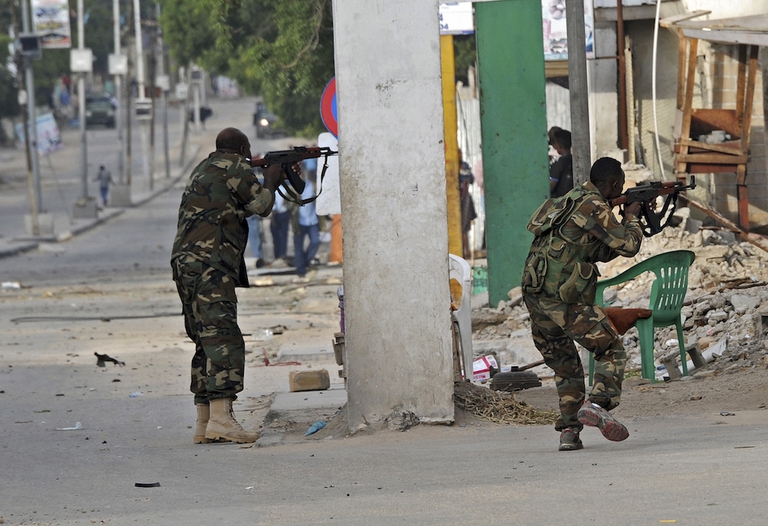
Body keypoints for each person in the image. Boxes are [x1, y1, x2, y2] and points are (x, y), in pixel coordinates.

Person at [521, 157, 644, 451]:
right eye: (621, 186)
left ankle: (569, 433)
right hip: (564, 300)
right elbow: (628, 246)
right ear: (614, 184)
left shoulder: (567, 201)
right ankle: (598, 404)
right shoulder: (595, 207)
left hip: (536, 298)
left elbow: (598, 251)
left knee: (566, 366)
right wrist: (633, 218)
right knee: (610, 349)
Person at [171, 127, 284, 444]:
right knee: (222, 335)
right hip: (210, 262)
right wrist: (272, 179)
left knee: (205, 337)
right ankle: (222, 420)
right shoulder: (236, 166)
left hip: (185, 262)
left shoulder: (204, 168)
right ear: (244, 149)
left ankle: (205, 422)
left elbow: (239, 204)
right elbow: (261, 205)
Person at [292, 169, 320, 280]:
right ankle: (301, 270)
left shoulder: (311, 185)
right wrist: (295, 198)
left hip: (312, 220)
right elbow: (287, 204)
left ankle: (306, 260)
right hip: (299, 222)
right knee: (298, 247)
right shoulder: (292, 188)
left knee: (315, 241)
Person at [459, 149, 477, 260]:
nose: (459, 155)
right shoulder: (452, 166)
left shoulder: (464, 166)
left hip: (465, 199)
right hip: (457, 200)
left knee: (464, 226)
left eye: (460, 153)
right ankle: (464, 250)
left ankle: (467, 250)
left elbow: (472, 179)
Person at [549, 127, 573, 198]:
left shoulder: (558, 164)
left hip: (560, 201)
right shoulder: (574, 160)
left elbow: (551, 185)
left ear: (559, 146)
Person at [269, 190, 290, 262]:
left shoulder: (277, 190)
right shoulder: (284, 190)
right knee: (280, 236)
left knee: (280, 237)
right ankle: (280, 255)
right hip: (280, 214)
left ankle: (280, 255)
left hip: (280, 214)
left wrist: (272, 219)